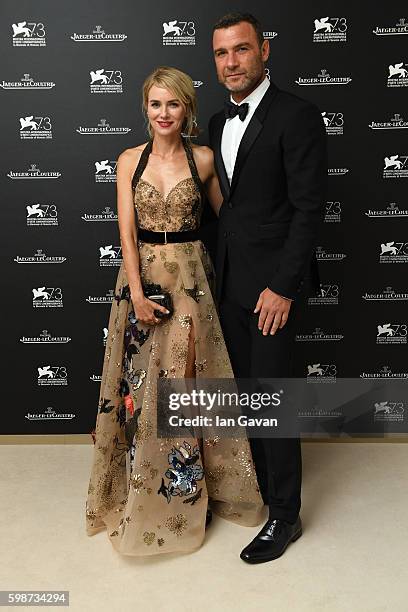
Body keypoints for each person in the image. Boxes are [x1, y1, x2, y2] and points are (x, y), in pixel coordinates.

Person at [85, 66, 264, 556]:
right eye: (156, 104)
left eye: (174, 104)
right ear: (145, 108)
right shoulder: (128, 160)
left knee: (187, 385)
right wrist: (137, 293)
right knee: (141, 387)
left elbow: (230, 220)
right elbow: (125, 233)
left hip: (192, 283)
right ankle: (143, 489)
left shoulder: (204, 158)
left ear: (187, 109)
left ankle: (190, 491)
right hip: (142, 281)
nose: (164, 113)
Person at [208, 13, 328, 563]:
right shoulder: (215, 122)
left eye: (241, 50)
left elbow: (308, 210)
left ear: (264, 51)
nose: (231, 62)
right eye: (221, 53)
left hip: (271, 290)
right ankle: (258, 490)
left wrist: (284, 287)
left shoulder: (297, 116)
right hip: (230, 283)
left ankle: (286, 516)